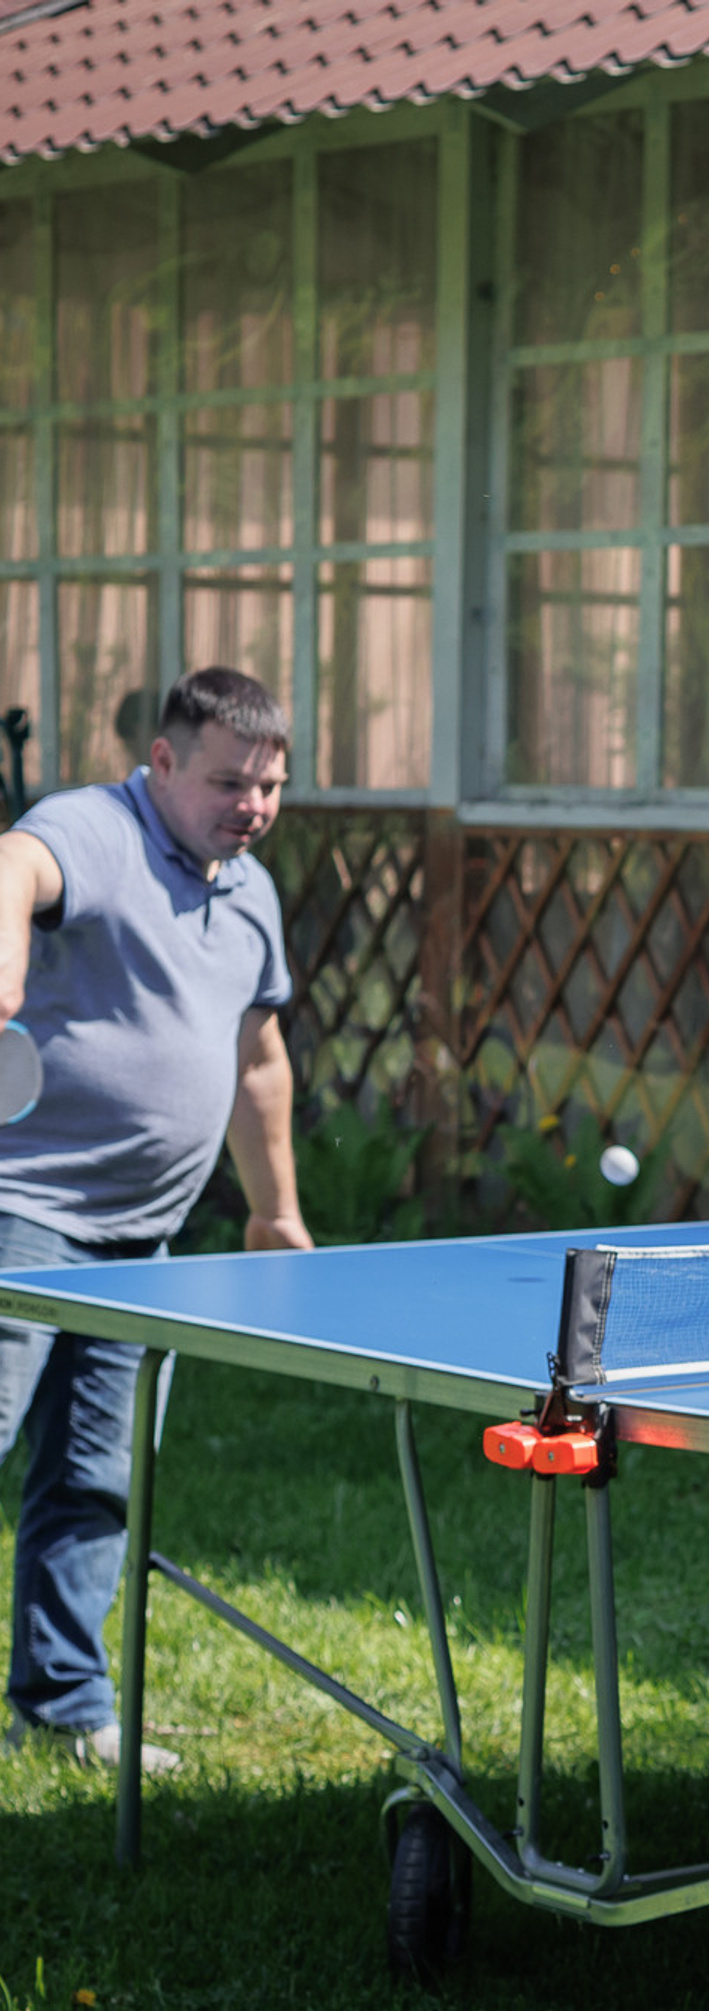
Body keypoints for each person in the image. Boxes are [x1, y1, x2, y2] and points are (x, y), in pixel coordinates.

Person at [0, 667, 311, 1775]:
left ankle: (62, 1705)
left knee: (98, 1476)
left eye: (271, 785)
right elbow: (12, 862)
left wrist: (274, 1208)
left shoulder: (251, 890)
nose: (253, 805)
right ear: (165, 763)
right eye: (230, 781)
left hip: (144, 1239)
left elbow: (258, 1062)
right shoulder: (95, 826)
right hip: (20, 1214)